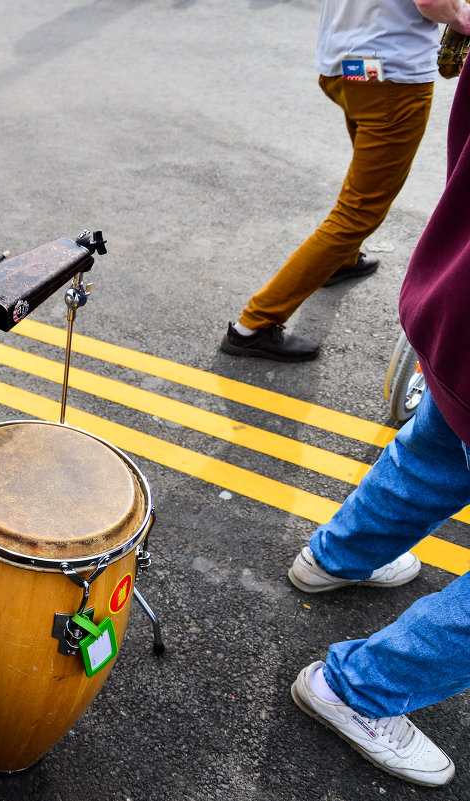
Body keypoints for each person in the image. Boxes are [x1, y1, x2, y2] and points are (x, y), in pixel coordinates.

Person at [288, 1, 470, 787]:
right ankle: (358, 688)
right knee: (356, 213)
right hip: (378, 75)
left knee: (438, 446)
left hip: (459, 300)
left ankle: (336, 556)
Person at [221, 0, 451, 362]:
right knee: (360, 211)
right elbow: (432, 3)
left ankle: (341, 260)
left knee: (361, 184)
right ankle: (254, 325)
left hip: (348, 67)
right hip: (393, 76)